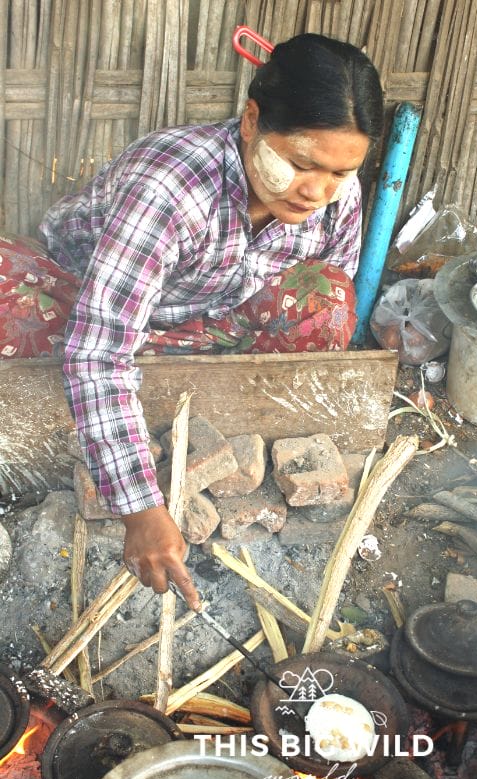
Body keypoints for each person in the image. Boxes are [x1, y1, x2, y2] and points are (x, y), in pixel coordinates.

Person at [0, 33, 383, 610]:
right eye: (302, 163)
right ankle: (134, 402)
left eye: (339, 172)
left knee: (325, 299)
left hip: (207, 322)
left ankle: (172, 386)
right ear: (252, 120)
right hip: (86, 298)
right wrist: (141, 509)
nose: (317, 191)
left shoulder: (334, 195)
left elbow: (330, 285)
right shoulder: (170, 188)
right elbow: (99, 350)